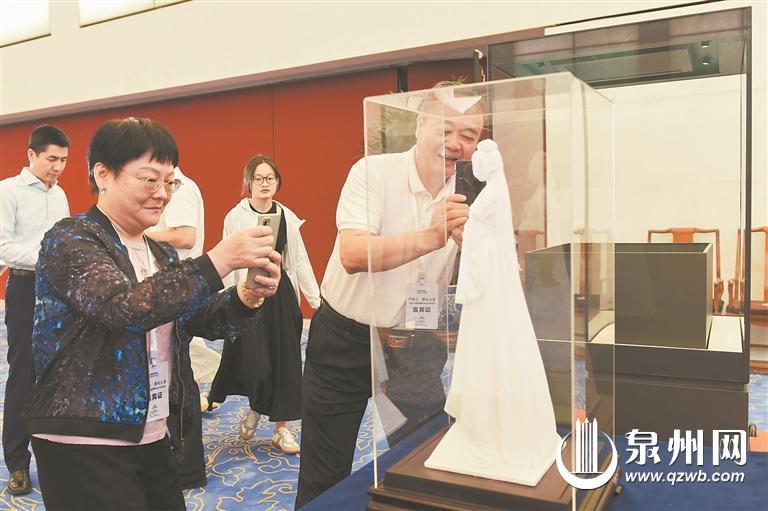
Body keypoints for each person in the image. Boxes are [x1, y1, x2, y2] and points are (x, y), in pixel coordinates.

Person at [25, 117, 281, 511]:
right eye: (149, 180)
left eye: (169, 182)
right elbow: (123, 308)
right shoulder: (72, 238)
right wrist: (218, 261)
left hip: (152, 431)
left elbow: (198, 318)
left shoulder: (160, 252)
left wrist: (247, 296)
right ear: (103, 174)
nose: (162, 194)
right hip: (85, 437)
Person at [295, 85, 484, 507]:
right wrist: (431, 237)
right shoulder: (373, 172)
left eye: (469, 135)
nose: (456, 143)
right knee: (324, 474)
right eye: (445, 129)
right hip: (345, 339)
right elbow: (352, 255)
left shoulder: (472, 191)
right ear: (419, 126)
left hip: (414, 341)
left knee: (427, 458)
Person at [206, 154, 320, 454]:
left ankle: (282, 429)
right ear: (249, 182)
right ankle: (257, 407)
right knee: (256, 361)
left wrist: (316, 300)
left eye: (270, 178)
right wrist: (226, 302)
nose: (265, 183)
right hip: (249, 295)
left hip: (280, 296)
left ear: (277, 182)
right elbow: (227, 260)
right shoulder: (236, 216)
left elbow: (300, 260)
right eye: (259, 178)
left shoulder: (286, 215)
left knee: (286, 361)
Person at [0, 124, 70, 495]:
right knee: (23, 375)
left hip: (58, 292)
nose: (58, 167)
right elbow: (4, 248)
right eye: (51, 159)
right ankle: (16, 462)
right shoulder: (7, 191)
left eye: (64, 160)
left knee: (58, 374)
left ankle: (55, 455)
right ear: (31, 154)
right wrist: (48, 258)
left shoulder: (60, 195)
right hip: (26, 288)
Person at [144, 166, 222, 488]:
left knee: (179, 376)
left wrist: (143, 234)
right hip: (170, 287)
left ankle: (187, 467)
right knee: (176, 372)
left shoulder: (181, 187)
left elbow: (185, 236)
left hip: (179, 287)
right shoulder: (170, 185)